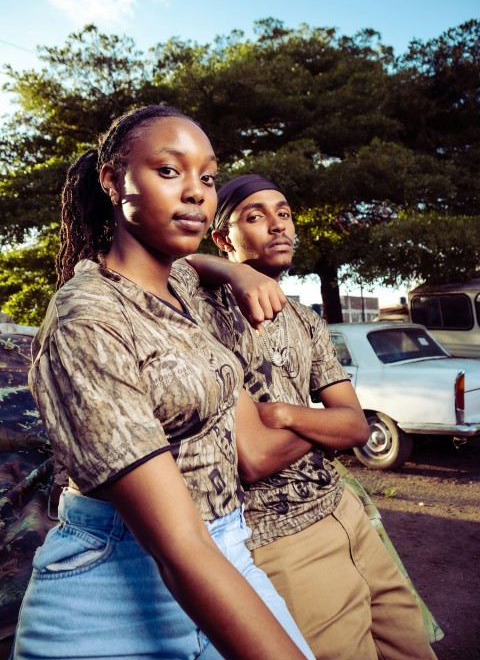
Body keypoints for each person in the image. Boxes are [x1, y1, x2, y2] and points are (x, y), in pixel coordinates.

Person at [11, 109, 315, 660]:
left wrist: (235, 270)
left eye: (207, 177)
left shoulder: (177, 282)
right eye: (170, 171)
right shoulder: (86, 320)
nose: (197, 193)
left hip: (225, 549)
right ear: (112, 180)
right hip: (110, 592)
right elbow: (177, 545)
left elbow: (192, 265)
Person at [179, 173, 439, 660]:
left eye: (284, 213)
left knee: (413, 649)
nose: (277, 226)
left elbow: (356, 426)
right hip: (279, 540)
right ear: (223, 237)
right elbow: (254, 457)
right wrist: (235, 273)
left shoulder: (305, 320)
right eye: (254, 217)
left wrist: (280, 413)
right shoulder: (196, 312)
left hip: (347, 514)